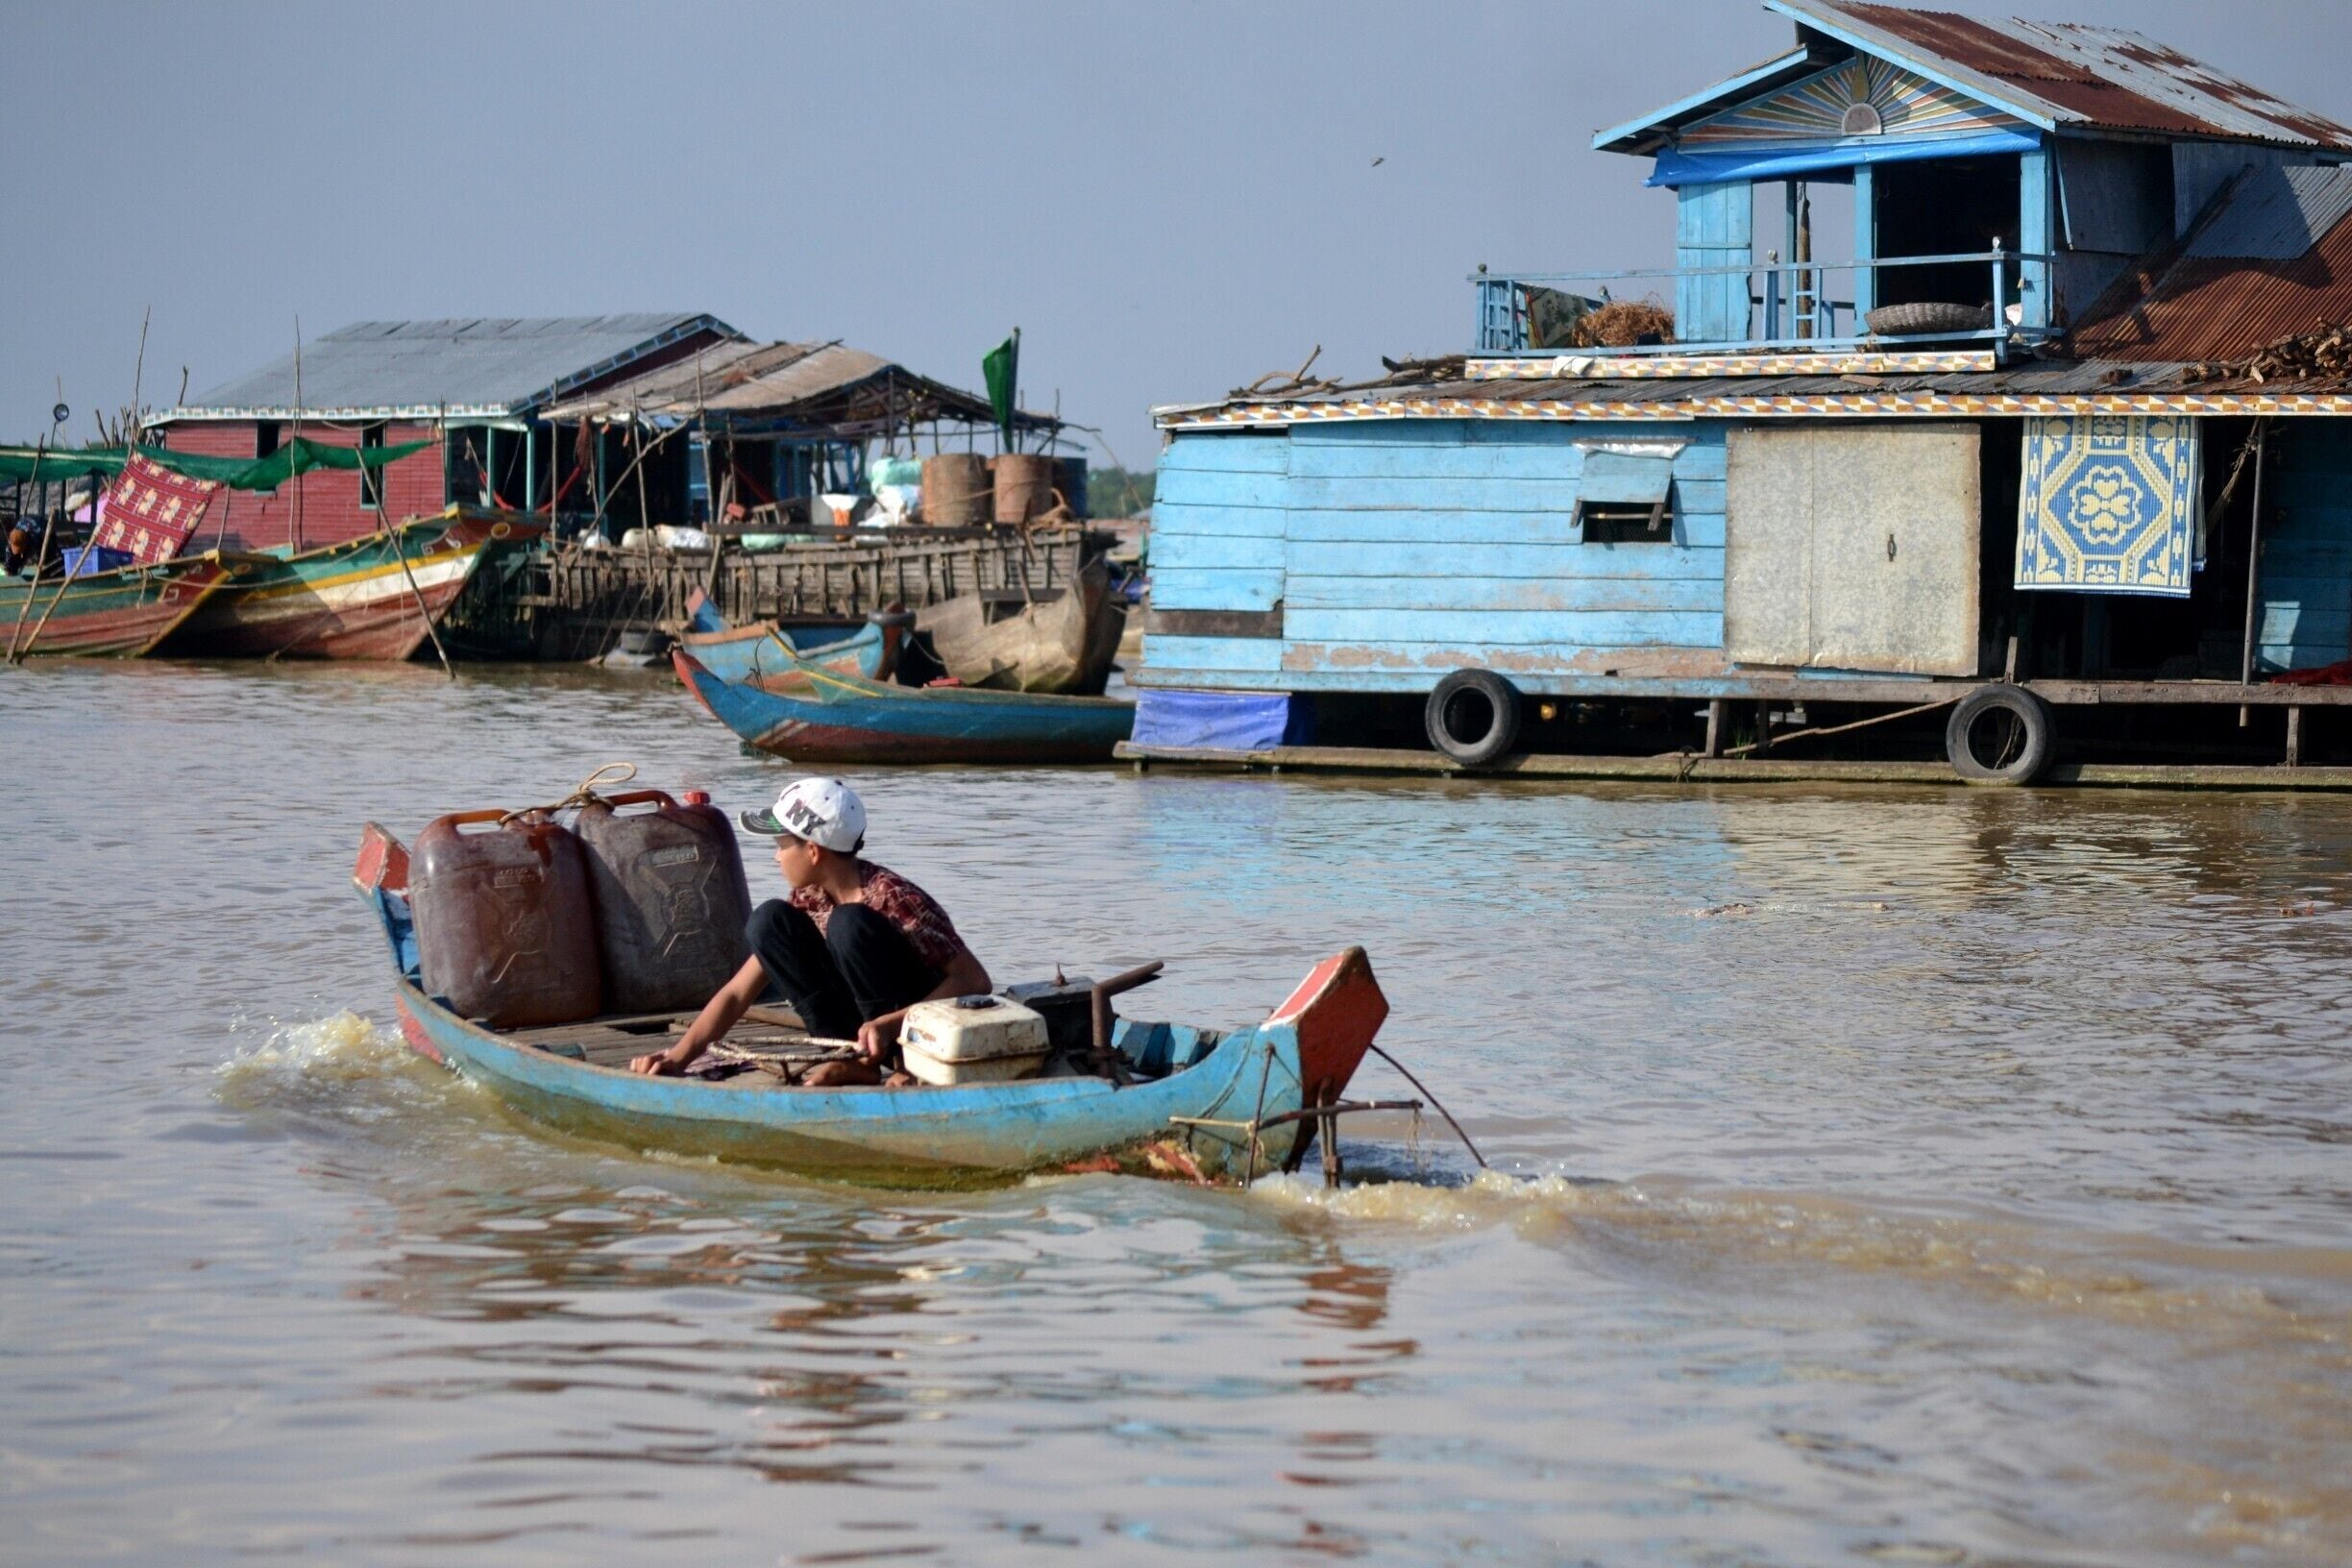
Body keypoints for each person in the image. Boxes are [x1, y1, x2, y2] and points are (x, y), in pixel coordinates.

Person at [629, 777, 990, 1077]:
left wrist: (891, 1024)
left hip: (911, 1034)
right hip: (862, 1033)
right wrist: (678, 1057)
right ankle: (845, 1058)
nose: (776, 856)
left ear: (813, 851)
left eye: (781, 846)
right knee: (768, 921)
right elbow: (738, 993)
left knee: (849, 925)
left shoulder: (895, 898)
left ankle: (887, 1065)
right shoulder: (810, 896)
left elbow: (974, 981)